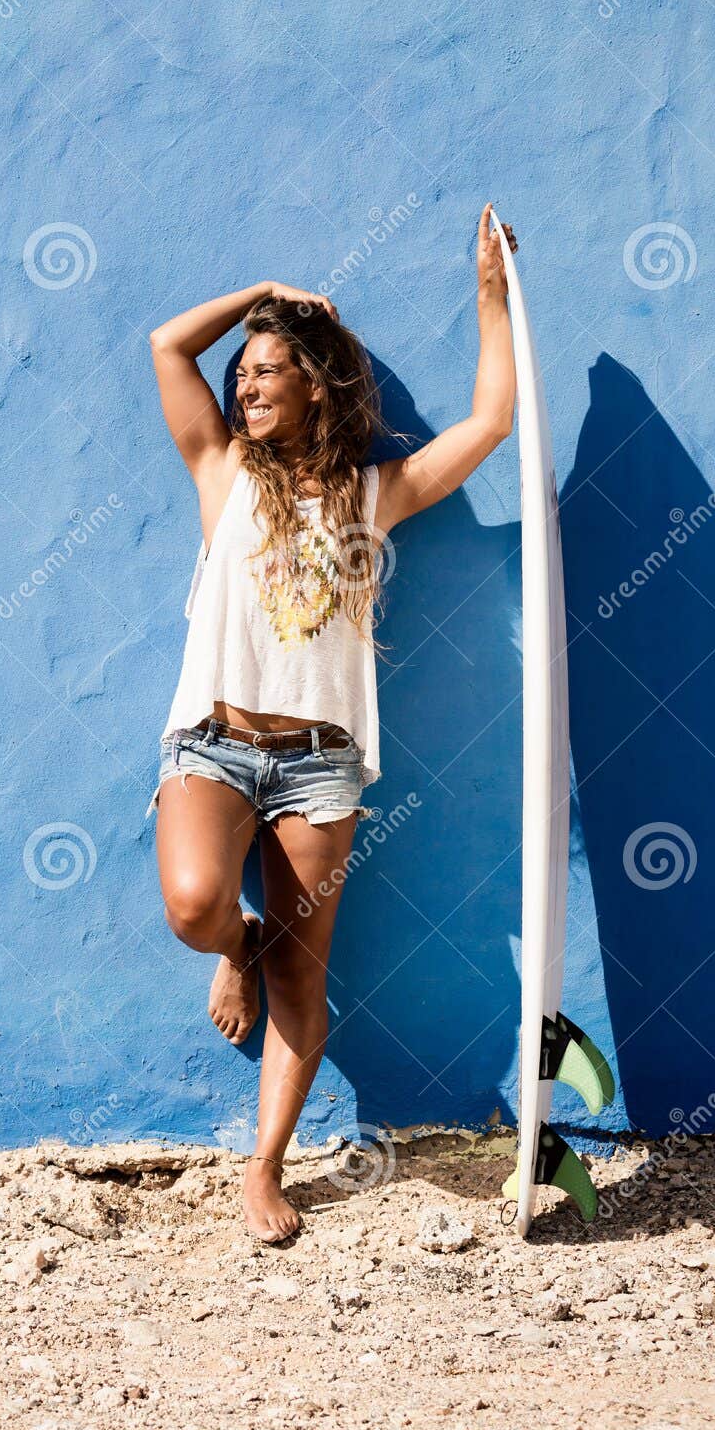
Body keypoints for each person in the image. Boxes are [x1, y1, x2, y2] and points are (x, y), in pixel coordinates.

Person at [146, 204, 518, 1242]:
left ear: (315, 382)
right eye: (244, 373)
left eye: (269, 369)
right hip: (212, 745)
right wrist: (265, 286)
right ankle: (238, 940)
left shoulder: (369, 497)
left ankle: (262, 1168)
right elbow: (167, 344)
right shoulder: (219, 475)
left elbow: (486, 424)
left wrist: (490, 299)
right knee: (191, 904)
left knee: (305, 978)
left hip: (318, 768)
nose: (245, 384)